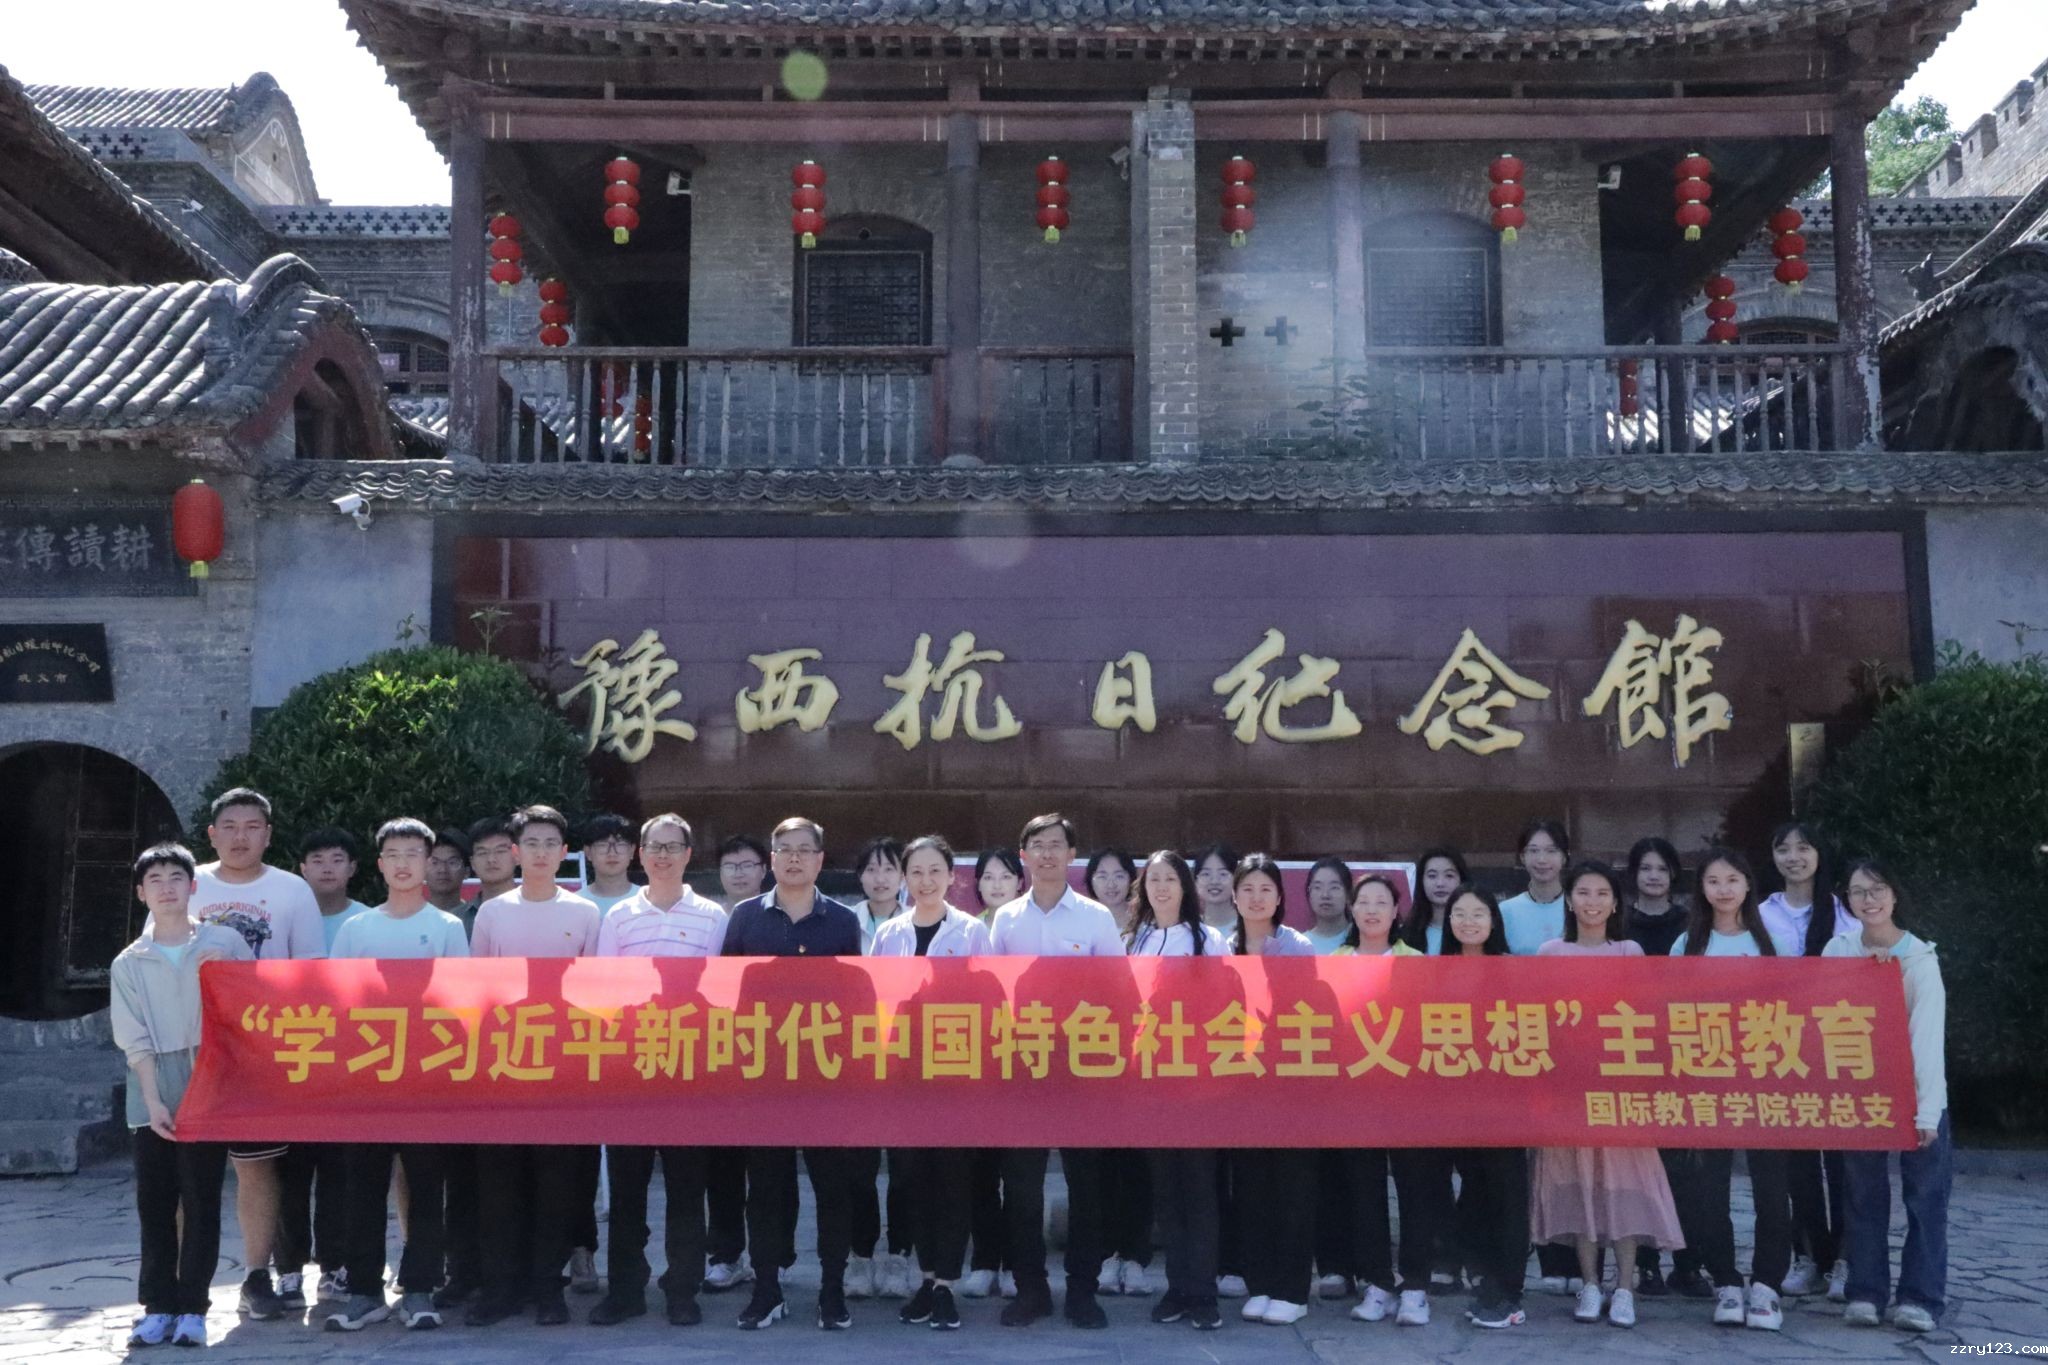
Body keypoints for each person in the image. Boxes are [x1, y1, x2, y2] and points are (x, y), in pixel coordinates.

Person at [322, 818, 472, 1333]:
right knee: (362, 1187)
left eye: (413, 853)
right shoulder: (356, 929)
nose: (404, 863)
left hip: (427, 1078)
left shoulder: (447, 927)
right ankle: (364, 1291)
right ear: (380, 864)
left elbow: (460, 1002)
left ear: (428, 863)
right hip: (366, 1078)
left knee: (426, 1185)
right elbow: (335, 1001)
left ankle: (420, 1287)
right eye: (394, 854)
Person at [182, 788, 324, 1324]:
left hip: (263, 1051)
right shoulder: (186, 883)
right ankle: (180, 1285)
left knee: (258, 1167)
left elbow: (310, 971)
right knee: (187, 1174)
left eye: (252, 826)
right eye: (230, 826)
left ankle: (257, 1275)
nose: (240, 836)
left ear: (268, 834)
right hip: (192, 1047)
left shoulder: (291, 890)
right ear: (212, 834)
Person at [721, 816, 865, 1331]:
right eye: (785, 850)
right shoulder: (746, 918)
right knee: (765, 1189)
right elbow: (727, 992)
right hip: (765, 1076)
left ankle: (832, 1290)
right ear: (772, 859)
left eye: (806, 849)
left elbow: (857, 997)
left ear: (821, 860)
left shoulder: (842, 921)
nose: (795, 858)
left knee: (833, 1188)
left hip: (826, 1076)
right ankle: (767, 1288)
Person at [588, 813, 729, 1328]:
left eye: (673, 847)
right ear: (640, 854)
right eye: (654, 847)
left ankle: (682, 1289)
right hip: (632, 1072)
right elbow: (604, 991)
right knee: (627, 1191)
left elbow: (718, 993)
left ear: (689, 855)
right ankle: (625, 1289)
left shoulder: (713, 916)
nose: (663, 856)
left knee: (687, 1190)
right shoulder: (619, 917)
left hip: (689, 1071)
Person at [987, 813, 1125, 1330]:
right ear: (1023, 856)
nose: (1047, 854)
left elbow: (1119, 991)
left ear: (1072, 855)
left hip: (1082, 1071)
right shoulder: (1006, 919)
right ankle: (1031, 1289)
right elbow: (993, 996)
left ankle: (1083, 1290)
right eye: (1037, 846)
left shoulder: (1095, 918)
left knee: (1088, 1187)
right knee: (1021, 1189)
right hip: (1023, 1071)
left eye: (1056, 845)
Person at [1531, 862, 1684, 1330]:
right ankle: (1590, 1283)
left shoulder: (1628, 951)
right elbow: (1537, 1019)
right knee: (1580, 1184)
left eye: (1602, 893)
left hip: (1620, 1089)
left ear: (1616, 903)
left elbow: (1644, 1015)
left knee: (1624, 1186)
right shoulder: (1550, 953)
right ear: (1569, 900)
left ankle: (1624, 1287)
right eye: (1583, 892)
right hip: (1568, 1090)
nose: (1592, 902)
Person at [466, 805, 601, 1328]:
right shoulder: (493, 912)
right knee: (499, 1184)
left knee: (556, 1183)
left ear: (564, 853)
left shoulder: (584, 913)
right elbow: (476, 989)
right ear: (515, 853)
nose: (541, 853)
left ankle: (549, 1287)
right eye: (531, 844)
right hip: (502, 1063)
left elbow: (596, 992)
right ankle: (501, 1288)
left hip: (562, 1065)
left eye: (550, 844)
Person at [114, 842, 254, 1349]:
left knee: (201, 1198)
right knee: (155, 1202)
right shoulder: (129, 961)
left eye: (176, 877)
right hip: (152, 1081)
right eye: (155, 880)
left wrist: (228, 971)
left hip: (209, 1077)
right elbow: (133, 1037)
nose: (167, 888)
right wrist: (153, 1102)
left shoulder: (224, 941)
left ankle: (194, 1306)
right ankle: (157, 1307)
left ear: (193, 886)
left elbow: (254, 1004)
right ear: (141, 893)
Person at [872, 835, 993, 1331]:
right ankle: (925, 1277)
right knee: (912, 1180)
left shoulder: (971, 931)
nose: (926, 881)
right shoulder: (889, 934)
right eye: (917, 872)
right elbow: (875, 1002)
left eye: (935, 871)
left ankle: (946, 1283)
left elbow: (989, 998)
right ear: (905, 878)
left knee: (952, 1181)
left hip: (956, 1075)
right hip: (904, 1078)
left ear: (951, 876)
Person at [1673, 848, 1792, 1332]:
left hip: (1765, 1080)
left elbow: (1801, 1004)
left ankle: (1767, 1285)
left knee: (1772, 1189)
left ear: (1747, 885)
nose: (1723, 889)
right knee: (1709, 1189)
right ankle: (1725, 1280)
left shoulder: (1775, 940)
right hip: (1707, 1081)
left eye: (1732, 880)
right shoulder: (1688, 944)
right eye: (1713, 881)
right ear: (1701, 889)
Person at [1829, 859, 1948, 1334]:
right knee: (1862, 1195)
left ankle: (1920, 1298)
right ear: (1847, 901)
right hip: (1861, 1095)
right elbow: (1822, 1016)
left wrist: (1927, 1113)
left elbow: (1926, 1041)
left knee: (1925, 1198)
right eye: (1858, 892)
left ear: (1895, 895)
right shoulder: (1838, 950)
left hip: (1919, 1094)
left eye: (1878, 889)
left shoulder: (1920, 959)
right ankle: (1865, 1292)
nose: (1869, 900)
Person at [1123, 852, 1224, 1332]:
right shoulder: (1133, 941)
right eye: (1153, 880)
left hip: (1198, 1083)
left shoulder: (1208, 940)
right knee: (1166, 1191)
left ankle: (1203, 1292)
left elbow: (1227, 1006)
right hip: (1150, 1083)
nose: (1161, 887)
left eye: (1170, 879)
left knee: (1199, 1190)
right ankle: (1177, 1287)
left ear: (1186, 887)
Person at [1761, 820, 1856, 1302]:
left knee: (1841, 1163)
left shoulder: (1846, 914)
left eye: (1803, 847)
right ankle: (1809, 1256)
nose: (1794, 857)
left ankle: (1844, 1258)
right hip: (1782, 1054)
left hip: (1837, 1051)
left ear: (1820, 854)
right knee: (1797, 1166)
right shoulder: (1761, 914)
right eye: (1784, 848)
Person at [277, 826, 369, 1311]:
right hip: (292, 1061)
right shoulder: (284, 917)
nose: (327, 868)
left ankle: (335, 1266)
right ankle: (288, 1270)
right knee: (289, 1173)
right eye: (317, 859)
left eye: (337, 859)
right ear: (301, 869)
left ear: (353, 868)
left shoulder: (368, 922)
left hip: (348, 1068)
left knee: (339, 1173)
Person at [1333, 875, 1432, 1327]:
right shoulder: (1335, 963)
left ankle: (1415, 1287)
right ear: (1352, 910)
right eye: (1364, 902)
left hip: (1409, 1098)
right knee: (1364, 1193)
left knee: (1415, 1192)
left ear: (1396, 912)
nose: (1372, 910)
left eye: (1382, 902)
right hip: (1355, 1099)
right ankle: (1377, 1282)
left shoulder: (1416, 962)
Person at [1227, 854, 1316, 1327]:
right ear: (1234, 895)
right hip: (1240, 1086)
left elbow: (1308, 1010)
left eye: (1265, 889)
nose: (1256, 898)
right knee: (1252, 1188)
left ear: (1280, 897)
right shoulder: (1221, 945)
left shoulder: (1296, 946)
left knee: (1291, 1188)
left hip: (1290, 1086)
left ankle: (1292, 1290)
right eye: (1248, 889)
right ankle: (1260, 1283)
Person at [1437, 886, 1528, 1329]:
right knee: (1472, 1189)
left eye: (1478, 913)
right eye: (1460, 913)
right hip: (1453, 1102)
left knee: (1506, 1193)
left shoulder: (1512, 969)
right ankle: (1482, 1275)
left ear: (1494, 921)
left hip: (1505, 1103)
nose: (1469, 922)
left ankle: (1509, 1290)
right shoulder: (1435, 972)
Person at [1621, 835, 1701, 1301]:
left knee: (1684, 1167)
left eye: (1661, 868)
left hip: (1681, 1054)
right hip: (1629, 1054)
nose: (1653, 876)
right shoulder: (1619, 923)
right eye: (1645, 868)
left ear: (1673, 874)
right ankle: (1646, 1265)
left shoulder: (1691, 923)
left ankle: (1689, 1265)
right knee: (1639, 1166)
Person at [1498, 819, 1576, 1293]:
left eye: (1550, 850)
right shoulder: (1505, 912)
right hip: (1521, 1043)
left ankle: (1566, 1259)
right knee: (1525, 1154)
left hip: (1574, 1044)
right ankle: (1526, 1250)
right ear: (1521, 858)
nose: (1542, 859)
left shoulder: (1584, 905)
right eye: (1533, 850)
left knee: (1565, 1151)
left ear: (1565, 857)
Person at [1083, 846, 1153, 1298]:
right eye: (1101, 875)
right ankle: (1108, 1254)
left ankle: (1136, 1256)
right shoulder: (1084, 924)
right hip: (1094, 1057)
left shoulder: (1149, 930)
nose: (1110, 883)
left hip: (1143, 1058)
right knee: (1102, 1165)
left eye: (1119, 875)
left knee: (1139, 1164)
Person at [706, 830, 773, 1293]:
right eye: (730, 865)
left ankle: (773, 1256)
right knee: (723, 1167)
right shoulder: (709, 917)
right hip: (718, 1056)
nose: (739, 873)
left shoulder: (777, 915)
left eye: (748, 864)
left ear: (764, 869)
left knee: (769, 1168)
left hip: (771, 1055)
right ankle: (726, 1255)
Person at [846, 836, 911, 1300]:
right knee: (859, 1167)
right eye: (871, 869)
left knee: (905, 1168)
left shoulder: (920, 922)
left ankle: (900, 1255)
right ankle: (861, 1254)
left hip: (909, 1059)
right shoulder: (842, 923)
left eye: (889, 869)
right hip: (856, 1059)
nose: (880, 878)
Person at [1401, 847, 1470, 955]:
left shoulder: (1474, 931)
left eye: (1449, 875)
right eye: (1432, 876)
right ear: (1421, 881)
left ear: (1462, 880)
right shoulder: (1406, 934)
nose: (1440, 883)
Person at [580, 812, 640, 915]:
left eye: (620, 845)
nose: (612, 853)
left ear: (632, 851)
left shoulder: (647, 900)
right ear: (588, 852)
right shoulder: (576, 903)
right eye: (602, 845)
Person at [1190, 843, 1239, 933]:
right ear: (1196, 881)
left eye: (1223, 874)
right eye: (1206, 874)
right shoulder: (1188, 929)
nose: (1214, 881)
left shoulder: (1248, 925)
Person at [425, 828, 472, 919]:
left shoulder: (478, 918)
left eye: (452, 862)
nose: (443, 870)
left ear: (467, 872)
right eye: (434, 862)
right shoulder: (408, 918)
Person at [972, 847, 1023, 925]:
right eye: (988, 877)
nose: (997, 886)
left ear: (1019, 883)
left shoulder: (1034, 926)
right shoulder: (972, 929)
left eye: (1005, 877)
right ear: (979, 884)